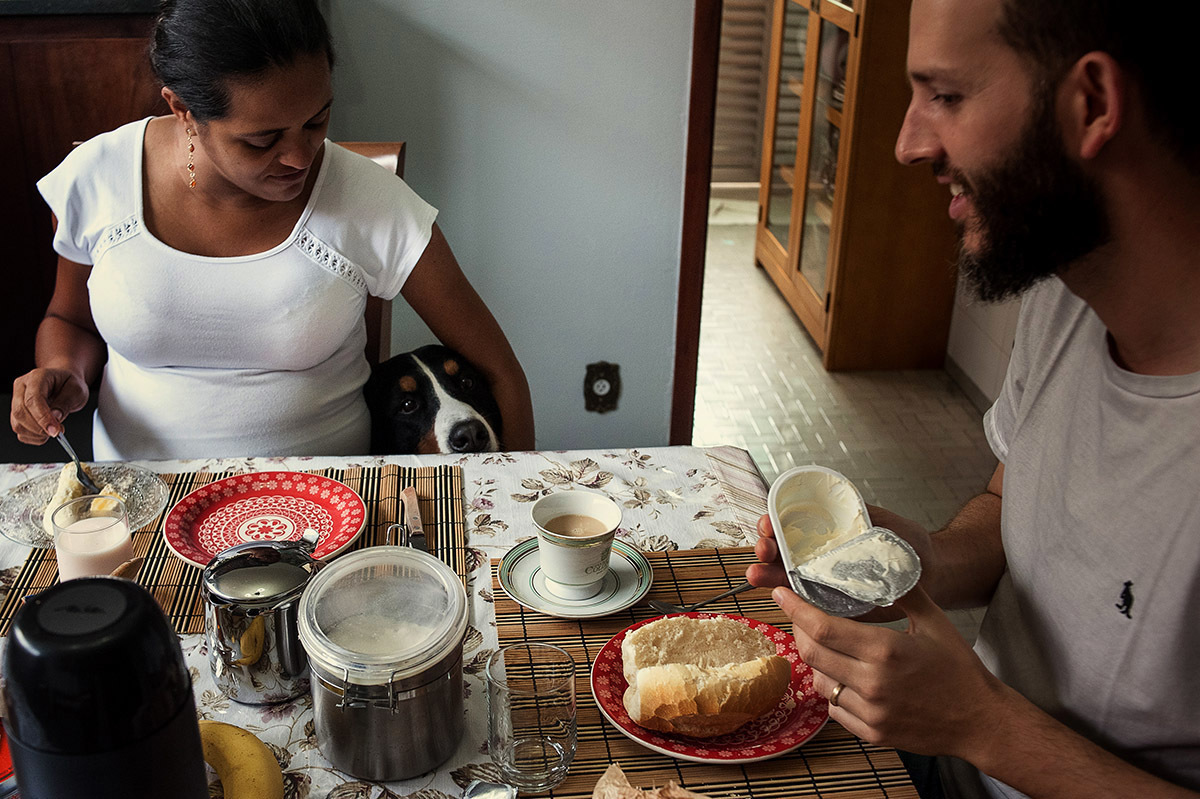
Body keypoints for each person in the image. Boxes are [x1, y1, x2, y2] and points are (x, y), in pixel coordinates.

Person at [748, 0, 1200, 797]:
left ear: (1091, 104)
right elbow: (1010, 506)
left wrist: (981, 723)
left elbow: (982, 723)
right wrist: (895, 557)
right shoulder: (1065, 293)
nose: (907, 143)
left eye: (946, 96)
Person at [8, 0, 534, 460]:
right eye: (262, 140)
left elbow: (500, 373)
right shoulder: (100, 177)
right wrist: (64, 373)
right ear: (183, 110)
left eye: (317, 121)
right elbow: (68, 319)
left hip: (329, 506)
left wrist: (515, 510)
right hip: (141, 498)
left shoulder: (371, 203)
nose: (300, 157)